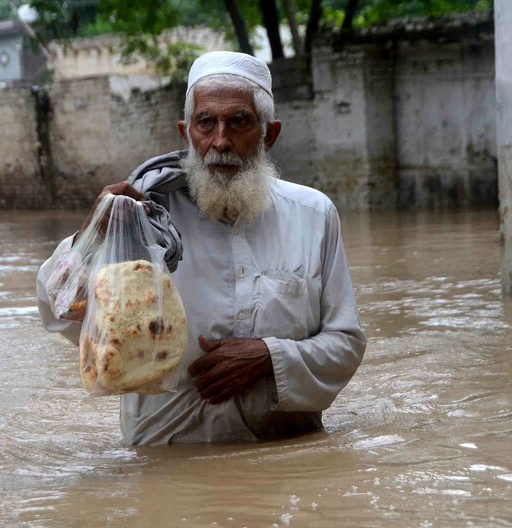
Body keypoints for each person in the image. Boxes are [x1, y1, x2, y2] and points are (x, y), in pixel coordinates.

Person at [37, 51, 367, 445]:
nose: (220, 141)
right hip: (167, 462)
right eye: (206, 123)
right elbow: (58, 311)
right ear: (186, 132)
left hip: (284, 454)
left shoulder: (313, 215)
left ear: (270, 134)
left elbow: (345, 343)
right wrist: (92, 236)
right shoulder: (143, 220)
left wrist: (269, 357)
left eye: (239, 122)